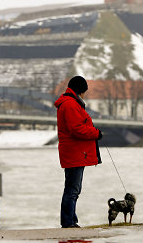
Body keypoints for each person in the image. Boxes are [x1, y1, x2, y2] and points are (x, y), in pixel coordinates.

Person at [54, 75, 102, 228]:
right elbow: (76, 129)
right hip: (74, 153)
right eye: (84, 92)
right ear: (80, 91)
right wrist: (95, 133)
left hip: (74, 152)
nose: (84, 96)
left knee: (72, 189)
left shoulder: (70, 103)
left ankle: (71, 221)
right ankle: (68, 223)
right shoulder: (70, 104)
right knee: (72, 190)